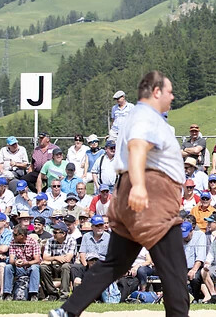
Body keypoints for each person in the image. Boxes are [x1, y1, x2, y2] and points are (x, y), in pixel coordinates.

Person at [50, 71, 189, 317]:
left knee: (115, 263)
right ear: (156, 92)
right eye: (169, 91)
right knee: (175, 271)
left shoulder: (137, 116)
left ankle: (67, 312)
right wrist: (139, 186)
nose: (173, 96)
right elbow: (138, 147)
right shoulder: (147, 116)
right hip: (150, 196)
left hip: (131, 193)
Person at [2, 225, 41, 301]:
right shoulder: (13, 242)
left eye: (15, 234)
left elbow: (37, 260)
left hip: (30, 267)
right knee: (8, 267)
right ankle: (7, 293)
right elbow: (11, 259)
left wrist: (25, 263)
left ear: (22, 235)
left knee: (35, 267)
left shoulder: (33, 242)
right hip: (19, 268)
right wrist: (15, 262)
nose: (13, 236)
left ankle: (33, 294)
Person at [40, 222, 77, 300]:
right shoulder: (50, 241)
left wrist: (51, 260)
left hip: (67, 266)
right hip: (53, 265)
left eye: (55, 232)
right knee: (43, 267)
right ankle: (52, 293)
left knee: (65, 266)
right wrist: (56, 258)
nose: (53, 234)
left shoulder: (71, 240)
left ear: (63, 234)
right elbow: (45, 257)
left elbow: (68, 259)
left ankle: (64, 295)